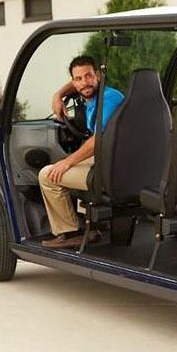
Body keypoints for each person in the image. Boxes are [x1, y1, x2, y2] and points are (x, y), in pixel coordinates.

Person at [38, 55, 125, 249]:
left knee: (48, 175)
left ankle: (70, 232)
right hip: (110, 159)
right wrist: (58, 95)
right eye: (78, 79)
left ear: (99, 76)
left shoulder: (108, 99)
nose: (84, 82)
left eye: (89, 76)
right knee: (68, 162)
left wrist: (67, 162)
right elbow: (79, 84)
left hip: (109, 168)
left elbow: (98, 140)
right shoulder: (96, 95)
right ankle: (93, 227)